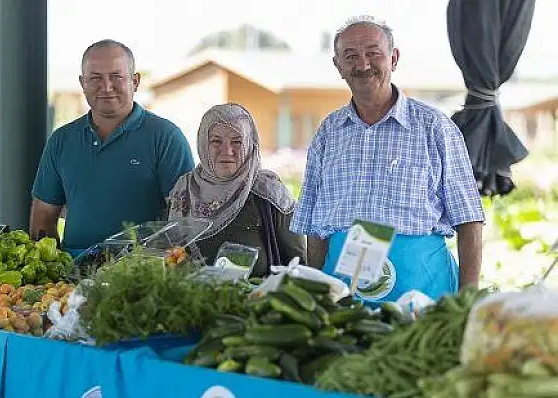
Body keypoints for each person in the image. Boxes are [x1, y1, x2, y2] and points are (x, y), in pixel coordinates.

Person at [290, 16, 484, 303]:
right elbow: (316, 227)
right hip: (342, 292)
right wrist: (314, 299)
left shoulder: (435, 128)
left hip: (423, 290)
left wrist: (467, 299)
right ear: (338, 66)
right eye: (351, 56)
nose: (363, 64)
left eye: (373, 53)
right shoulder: (328, 133)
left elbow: (469, 221)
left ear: (393, 58)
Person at [30, 40, 195, 256]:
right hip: (71, 275)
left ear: (135, 81)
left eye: (116, 77)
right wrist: (50, 270)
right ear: (83, 83)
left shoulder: (166, 137)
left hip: (140, 274)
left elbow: (183, 222)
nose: (107, 87)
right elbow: (43, 217)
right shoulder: (61, 140)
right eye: (96, 78)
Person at [168, 103, 306, 276]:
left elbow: (299, 266)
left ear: (250, 144)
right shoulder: (184, 190)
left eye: (237, 141)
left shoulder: (269, 195)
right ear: (203, 143)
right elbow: (170, 255)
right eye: (216, 141)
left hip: (256, 300)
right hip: (191, 301)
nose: (227, 151)